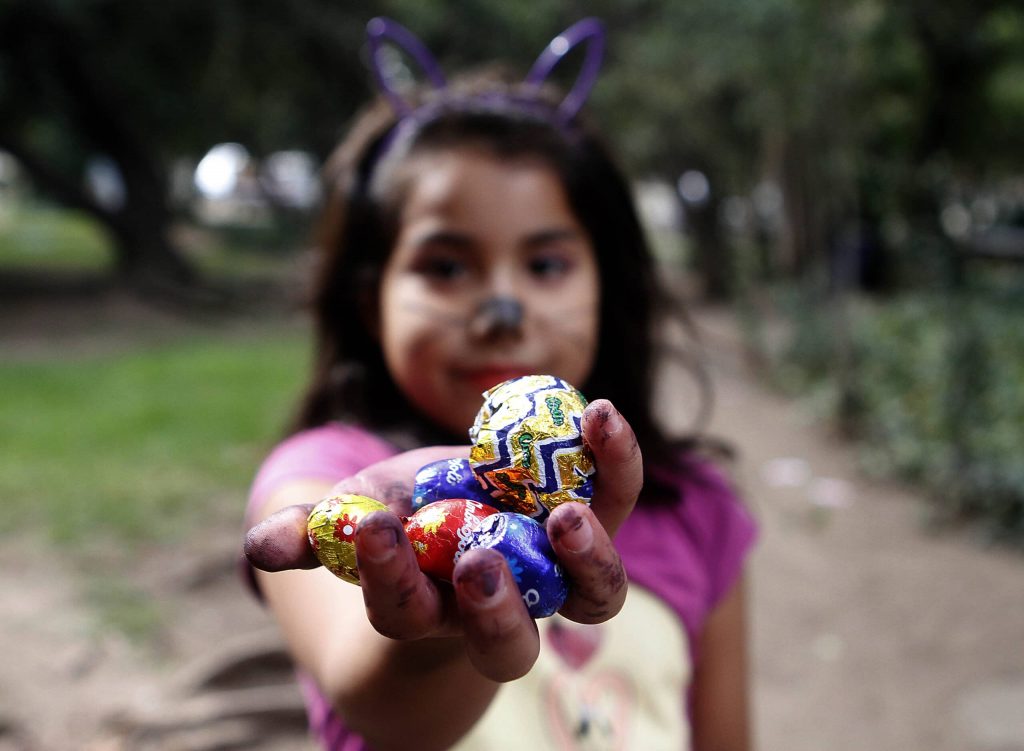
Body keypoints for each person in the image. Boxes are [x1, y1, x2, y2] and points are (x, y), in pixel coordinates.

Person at [243, 17, 757, 751]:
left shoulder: (698, 511)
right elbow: (376, 703)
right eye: (447, 266)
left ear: (608, 289)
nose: (501, 312)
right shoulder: (324, 481)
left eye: (546, 265)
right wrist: (437, 623)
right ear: (371, 301)